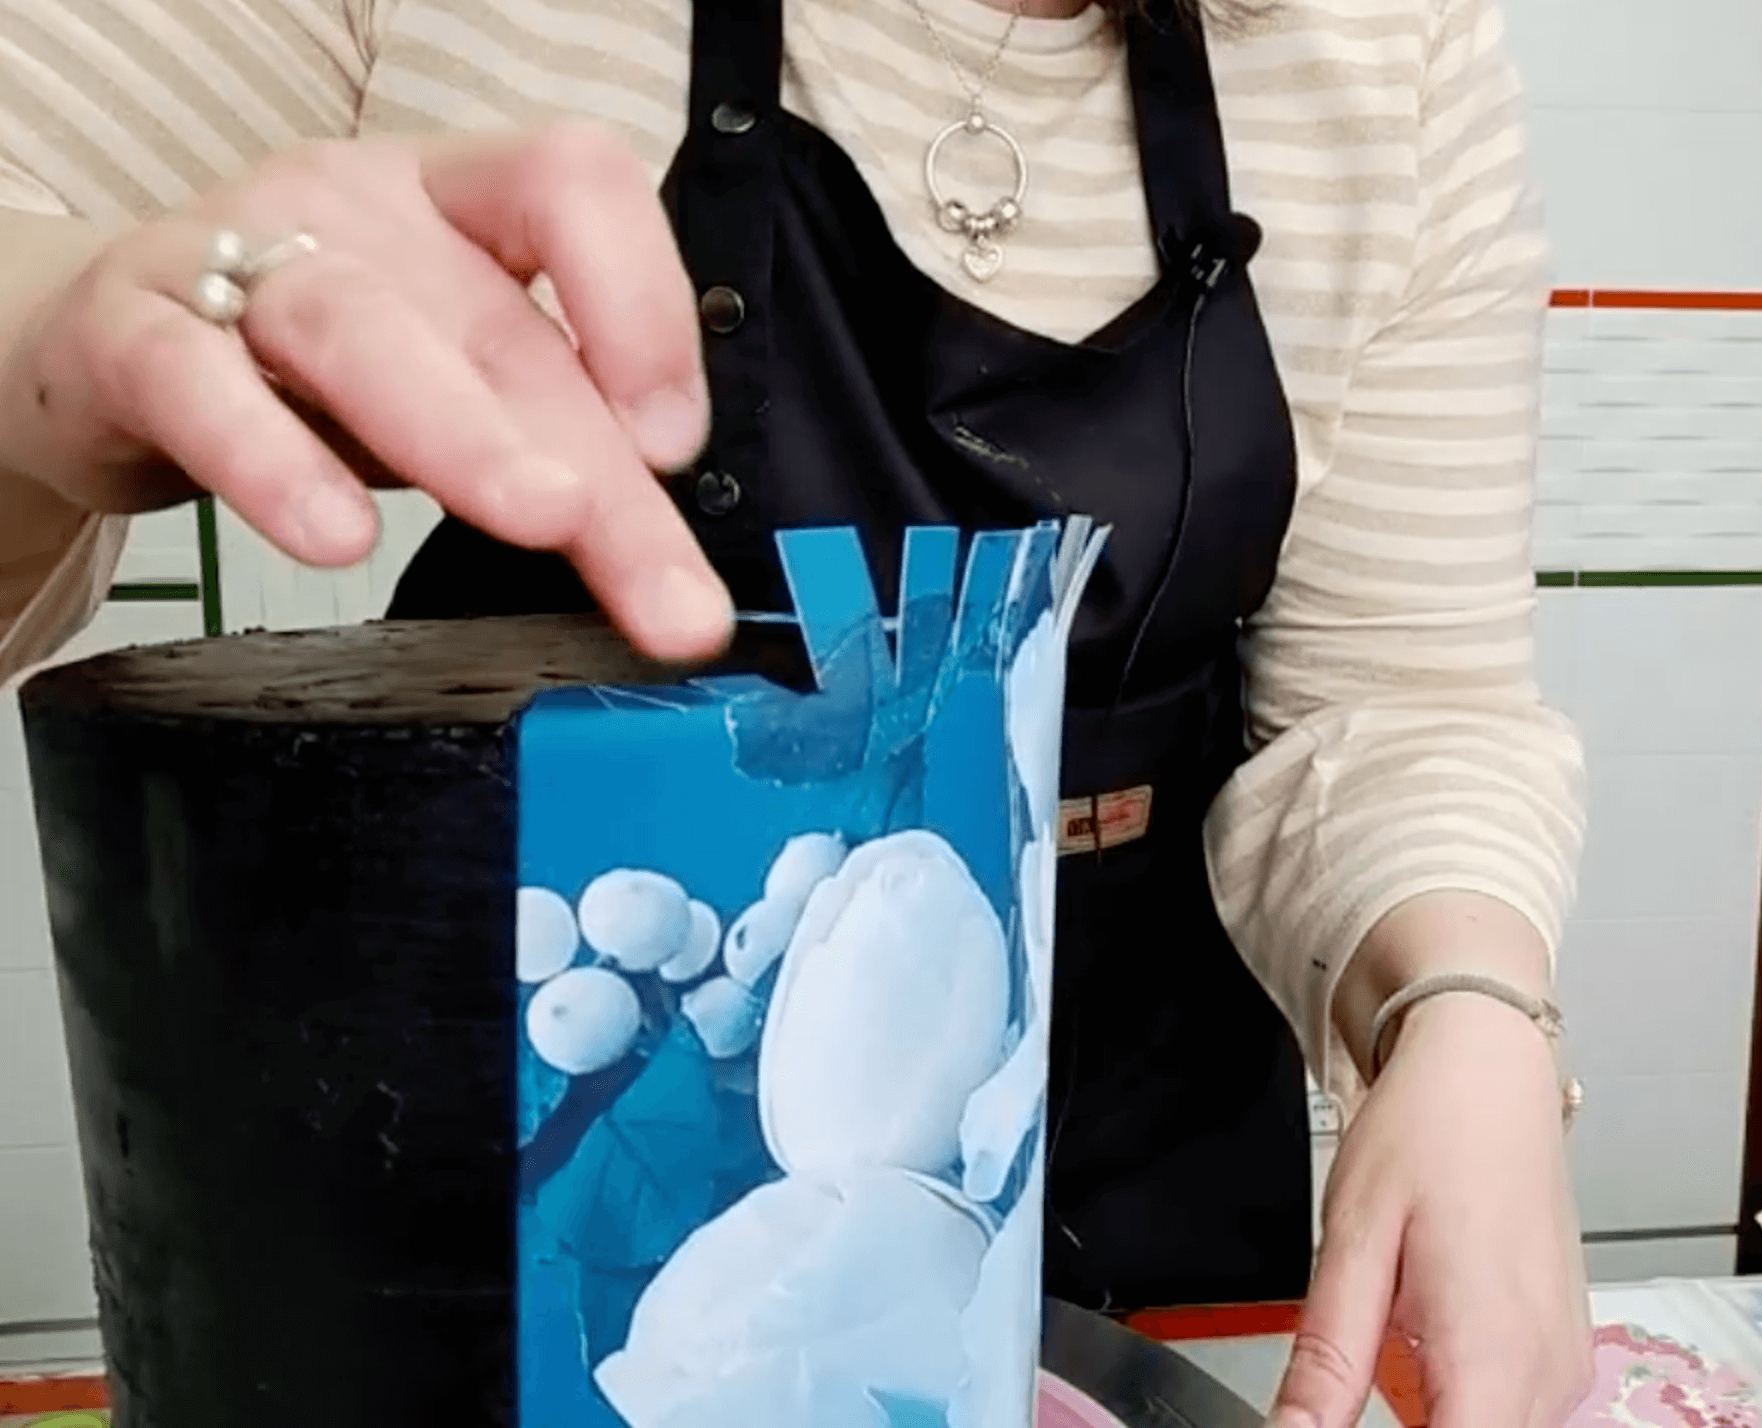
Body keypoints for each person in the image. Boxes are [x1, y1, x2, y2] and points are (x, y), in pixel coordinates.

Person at [0, 0, 1594, 1422]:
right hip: (565, 1117)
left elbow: (1397, 697)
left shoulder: (1392, 40)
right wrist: (41, 351)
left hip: (1151, 1130)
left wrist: (1462, 1006)